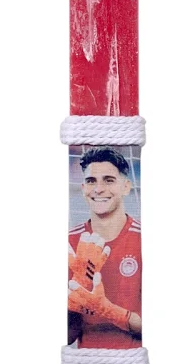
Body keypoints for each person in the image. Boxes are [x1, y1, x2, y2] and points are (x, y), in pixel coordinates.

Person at [67, 146, 142, 349]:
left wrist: (109, 311)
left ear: (126, 187)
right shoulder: (69, 244)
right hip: (87, 362)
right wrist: (79, 290)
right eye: (91, 181)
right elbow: (68, 337)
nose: (98, 189)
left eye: (109, 180)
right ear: (83, 188)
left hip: (132, 360)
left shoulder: (143, 240)